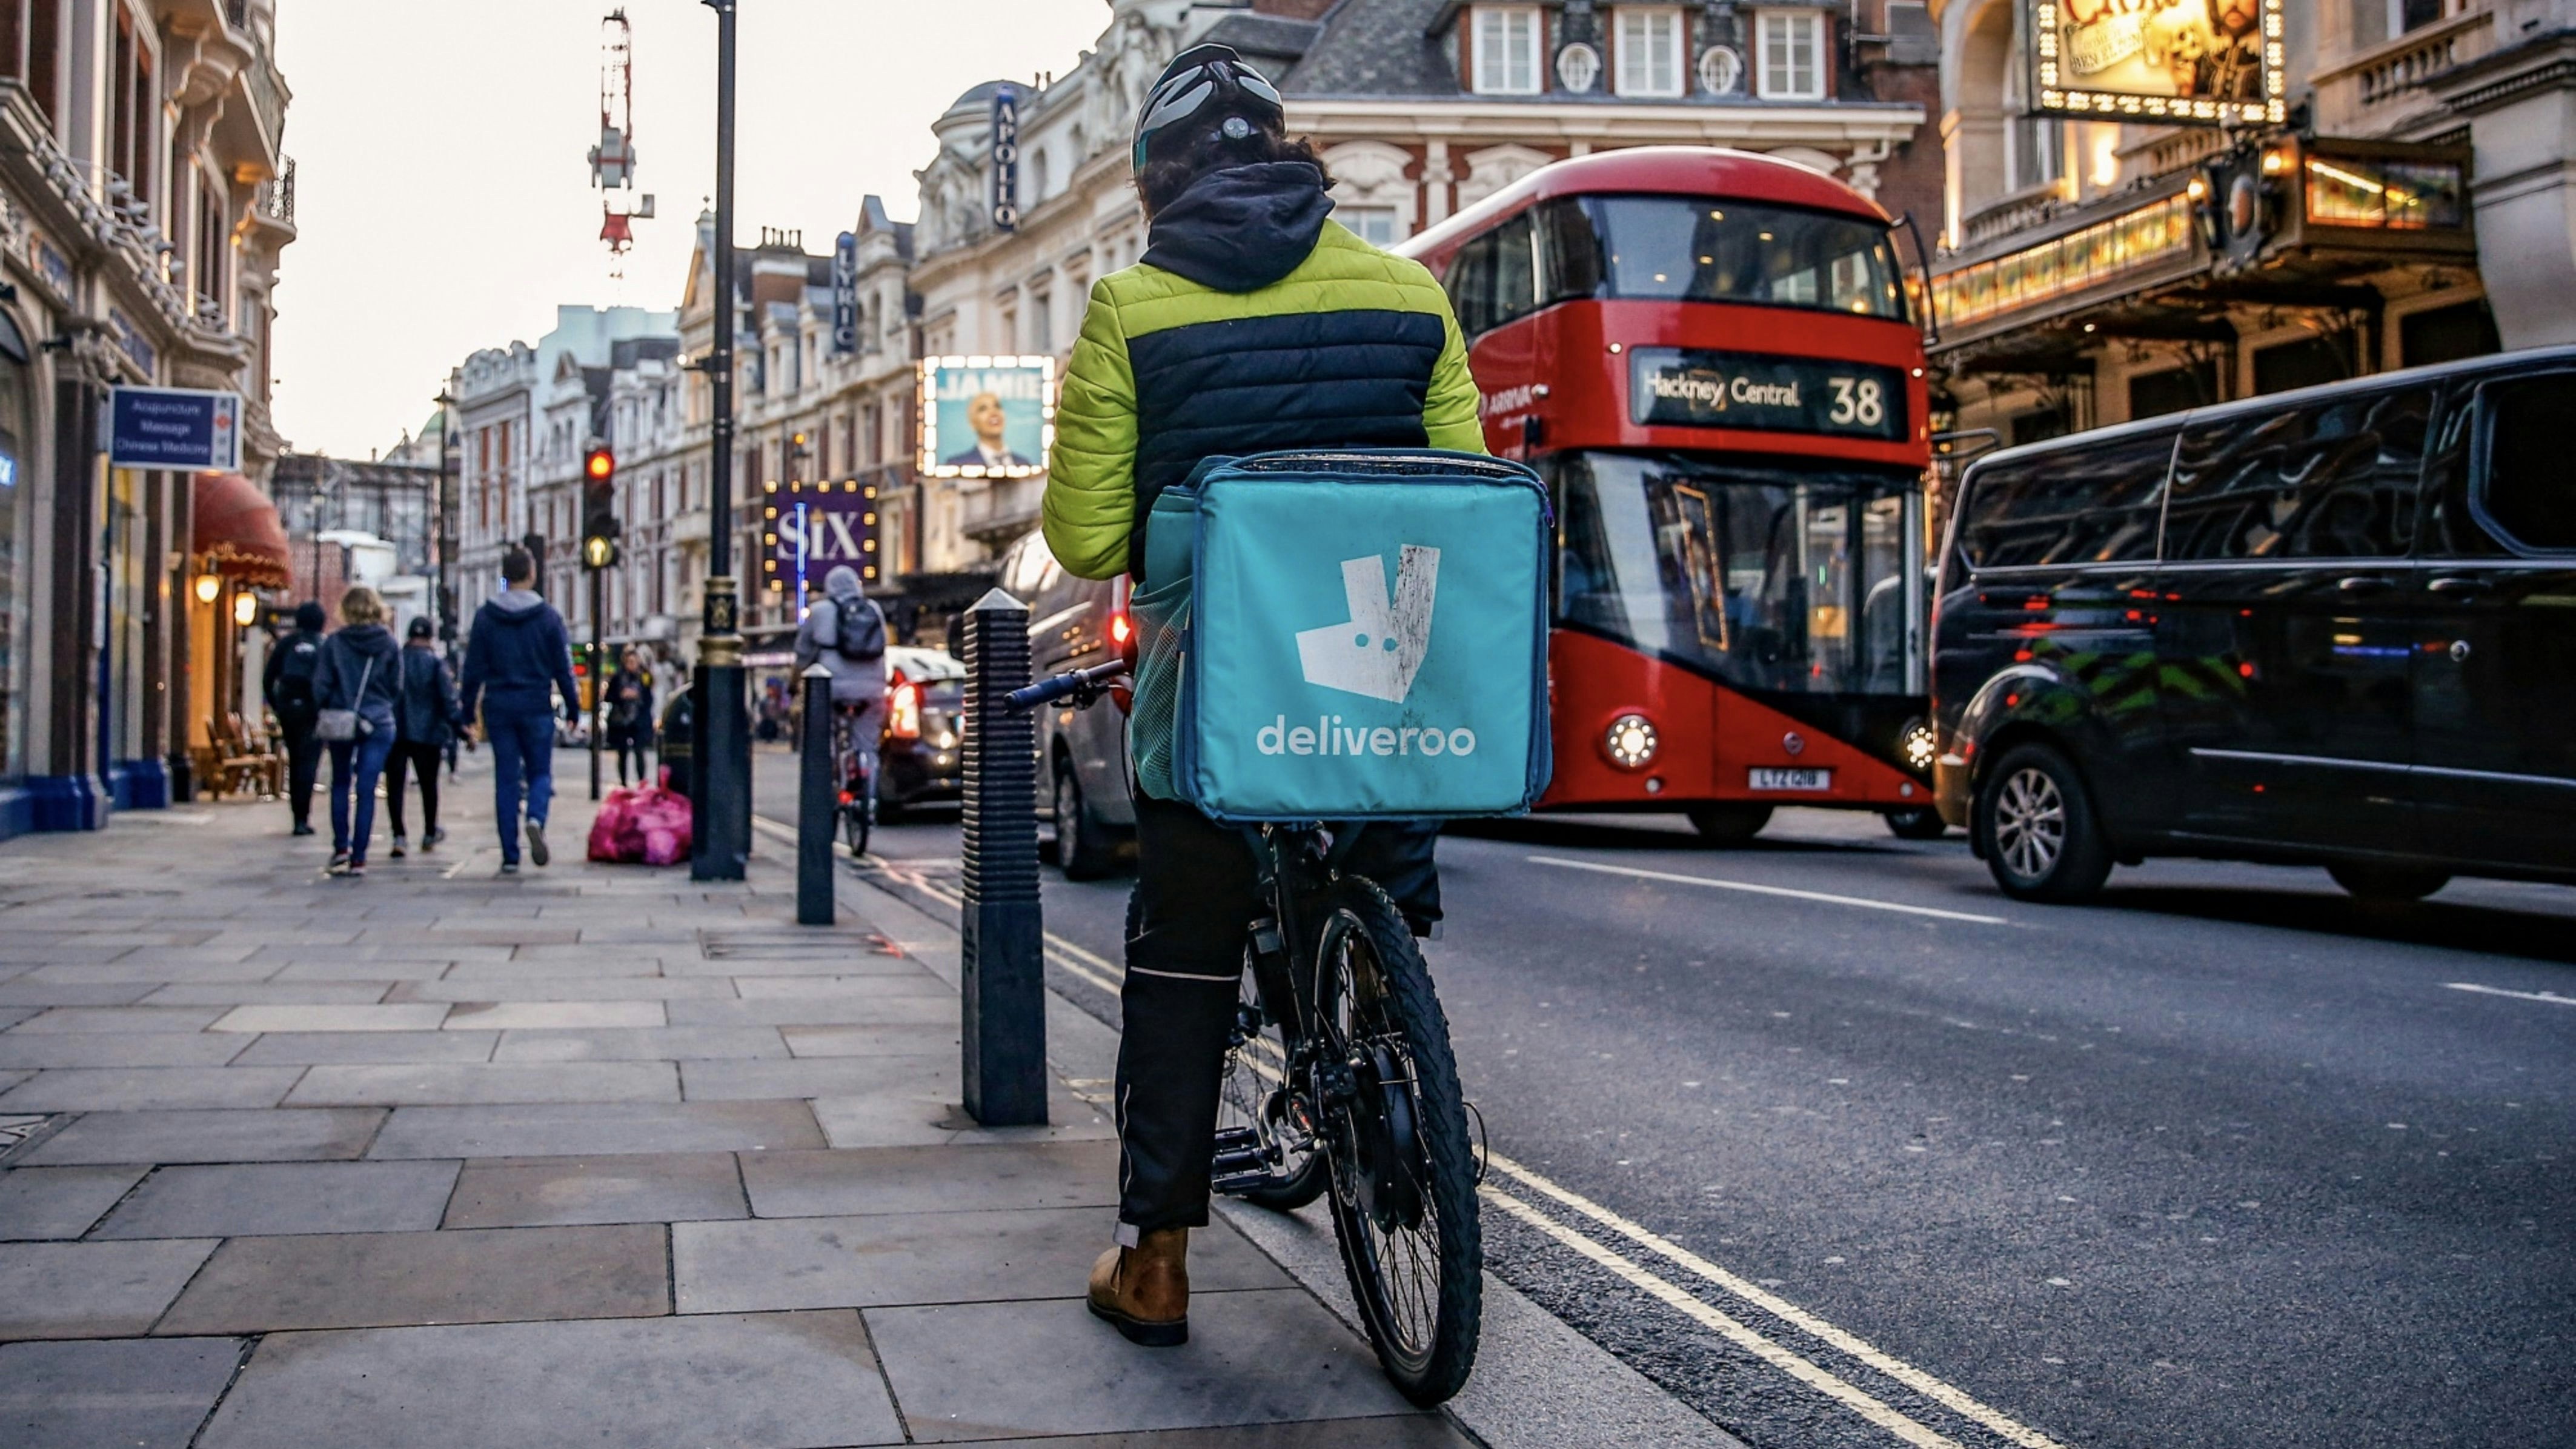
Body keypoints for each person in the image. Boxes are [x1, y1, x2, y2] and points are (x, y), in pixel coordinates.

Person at [1040, 43, 1486, 1348]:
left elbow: (1078, 533)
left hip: (1223, 704)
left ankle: (1156, 1263)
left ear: (1154, 182)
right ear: (1291, 159)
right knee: (1371, 869)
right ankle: (1373, 1012)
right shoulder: (1409, 295)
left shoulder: (1133, 307)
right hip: (1381, 699)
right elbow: (1465, 489)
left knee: (1179, 962)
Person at [460, 546, 581, 874]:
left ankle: (510, 854)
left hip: (499, 706)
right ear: (532, 573)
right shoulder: (548, 617)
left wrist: (467, 713)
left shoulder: (486, 617)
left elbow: (472, 671)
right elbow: (563, 667)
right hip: (536, 705)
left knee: (507, 778)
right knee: (541, 771)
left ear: (505, 575)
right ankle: (536, 817)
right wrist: (573, 706)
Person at [313, 587, 402, 878]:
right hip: (378, 722)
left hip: (343, 719)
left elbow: (321, 685)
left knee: (340, 782)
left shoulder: (334, 643)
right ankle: (360, 857)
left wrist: (333, 703)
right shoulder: (388, 643)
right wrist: (378, 704)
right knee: (367, 788)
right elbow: (396, 686)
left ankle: (341, 848)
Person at [791, 565, 888, 788]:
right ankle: (868, 800)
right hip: (872, 690)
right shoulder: (874, 608)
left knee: (823, 735)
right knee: (868, 747)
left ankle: (830, 778)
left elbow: (803, 654)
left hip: (832, 689)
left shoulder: (819, 610)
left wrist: (793, 684)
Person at [386, 616, 463, 857]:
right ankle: (429, 832)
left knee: (395, 786)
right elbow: (449, 701)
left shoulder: (395, 661)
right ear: (431, 637)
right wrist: (462, 729)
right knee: (429, 786)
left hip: (396, 732)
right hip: (429, 733)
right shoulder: (435, 664)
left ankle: (399, 835)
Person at [262, 601, 328, 836]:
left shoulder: (287, 644)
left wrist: (277, 707)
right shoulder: (324, 645)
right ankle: (303, 818)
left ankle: (297, 816)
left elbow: (269, 678)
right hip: (314, 711)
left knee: (296, 759)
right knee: (309, 762)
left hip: (290, 709)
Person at [604, 648, 656, 787]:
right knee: (623, 753)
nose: (632, 665)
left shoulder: (645, 677)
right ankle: (623, 782)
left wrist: (637, 696)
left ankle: (641, 782)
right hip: (622, 720)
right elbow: (609, 697)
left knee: (640, 751)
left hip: (639, 720)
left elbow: (649, 698)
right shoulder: (618, 677)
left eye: (634, 661)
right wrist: (622, 696)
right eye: (629, 662)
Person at [942, 391, 1034, 470]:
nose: (994, 412)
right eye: (983, 409)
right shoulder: (957, 464)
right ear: (973, 423)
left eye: (997, 406)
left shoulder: (1024, 463)